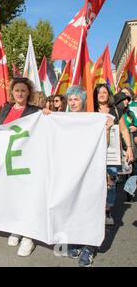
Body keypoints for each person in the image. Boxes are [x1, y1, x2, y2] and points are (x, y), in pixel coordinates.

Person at [63, 86, 114, 267]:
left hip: (91, 172)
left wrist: (107, 130)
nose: (73, 103)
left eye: (76, 99)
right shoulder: (62, 119)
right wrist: (46, 114)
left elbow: (105, 144)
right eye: (70, 100)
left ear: (83, 101)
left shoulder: (92, 119)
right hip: (71, 173)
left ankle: (90, 246)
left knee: (91, 206)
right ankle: (77, 240)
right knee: (75, 207)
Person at [0, 77, 41, 257]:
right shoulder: (6, 109)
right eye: (17, 91)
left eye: (23, 90)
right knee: (13, 197)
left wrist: (46, 115)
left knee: (27, 198)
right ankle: (16, 228)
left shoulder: (35, 111)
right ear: (12, 92)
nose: (20, 94)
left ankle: (28, 237)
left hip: (26, 161)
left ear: (28, 92)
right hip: (8, 161)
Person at [94, 84, 134, 226]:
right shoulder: (91, 110)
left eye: (105, 92)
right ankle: (96, 209)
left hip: (112, 153)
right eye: (99, 92)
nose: (102, 95)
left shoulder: (116, 111)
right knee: (97, 182)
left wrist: (129, 148)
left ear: (109, 94)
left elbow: (123, 130)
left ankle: (107, 210)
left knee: (111, 182)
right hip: (95, 155)